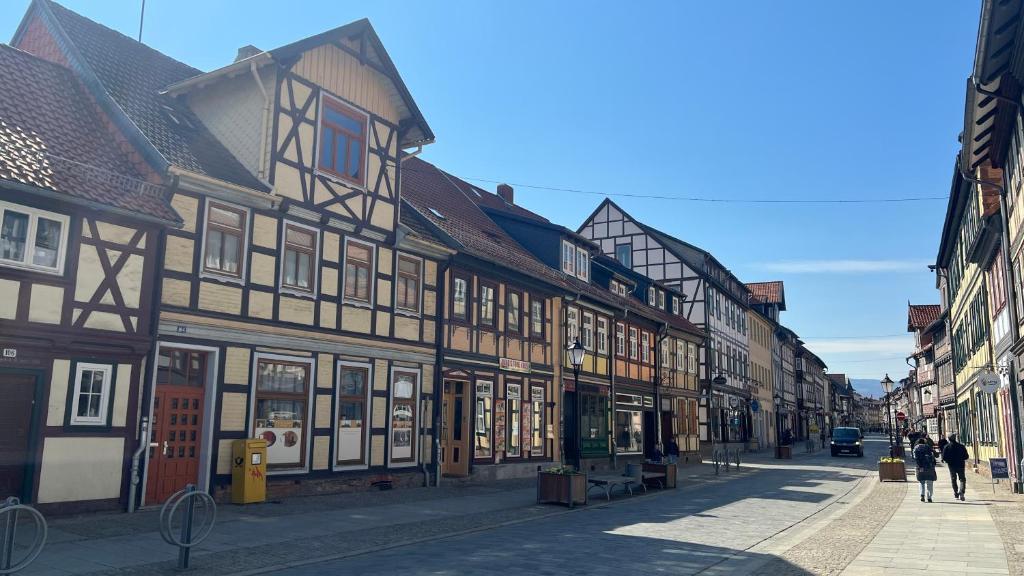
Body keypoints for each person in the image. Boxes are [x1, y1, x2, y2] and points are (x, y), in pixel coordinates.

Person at [942, 433, 970, 501]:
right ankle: (961, 492)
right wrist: (961, 458)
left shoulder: (946, 447)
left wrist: (948, 460)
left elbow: (944, 457)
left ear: (948, 439)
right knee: (962, 479)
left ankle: (956, 493)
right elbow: (966, 456)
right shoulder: (961, 446)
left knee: (953, 479)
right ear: (955, 438)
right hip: (960, 464)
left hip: (951, 465)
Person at [913, 438, 937, 502]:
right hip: (929, 467)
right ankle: (929, 497)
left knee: (921, 482)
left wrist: (920, 465)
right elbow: (933, 455)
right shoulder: (928, 447)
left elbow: (915, 458)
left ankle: (922, 495)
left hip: (920, 467)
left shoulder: (916, 448)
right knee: (930, 482)